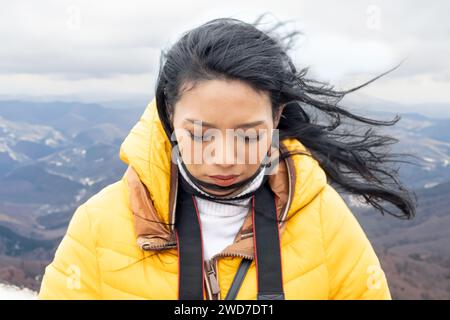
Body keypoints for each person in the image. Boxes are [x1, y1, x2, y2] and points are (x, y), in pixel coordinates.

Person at [38, 14, 416, 300]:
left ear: (277, 115)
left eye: (249, 135)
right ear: (170, 116)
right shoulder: (100, 224)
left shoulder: (323, 221)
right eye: (200, 134)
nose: (224, 158)